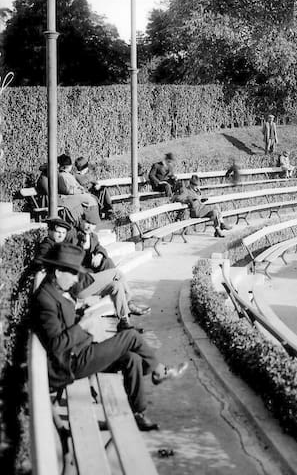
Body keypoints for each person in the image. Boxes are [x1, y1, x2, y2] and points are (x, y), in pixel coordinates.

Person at [32, 243, 189, 431]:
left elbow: (62, 327)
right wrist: (82, 326)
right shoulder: (45, 299)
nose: (76, 280)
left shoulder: (53, 291)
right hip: (70, 364)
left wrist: (83, 315)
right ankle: (159, 371)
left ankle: (138, 413)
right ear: (58, 271)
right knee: (130, 336)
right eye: (73, 273)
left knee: (133, 358)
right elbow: (57, 346)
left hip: (79, 352)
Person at [56, 155, 100, 222]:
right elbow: (68, 190)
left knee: (90, 198)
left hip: (73, 194)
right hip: (69, 196)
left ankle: (90, 220)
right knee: (89, 199)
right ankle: (91, 221)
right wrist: (80, 190)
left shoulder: (65, 175)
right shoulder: (63, 176)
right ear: (68, 166)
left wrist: (80, 189)